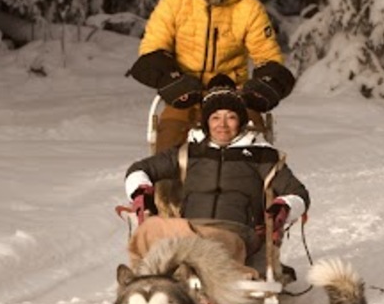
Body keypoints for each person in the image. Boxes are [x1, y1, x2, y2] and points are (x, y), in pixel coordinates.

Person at [124, 75, 309, 280]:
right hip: (188, 228)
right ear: (206, 122)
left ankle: (184, 276)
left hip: (234, 232)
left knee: (206, 244)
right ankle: (144, 284)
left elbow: (298, 193)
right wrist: (142, 193)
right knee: (149, 230)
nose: (222, 124)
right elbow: (139, 169)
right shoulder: (188, 152)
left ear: (240, 121)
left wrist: (283, 207)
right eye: (215, 117)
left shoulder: (262, 156)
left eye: (230, 117)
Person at [128, 0, 297, 154]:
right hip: (186, 94)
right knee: (166, 151)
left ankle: (266, 187)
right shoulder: (175, 2)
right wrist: (172, 81)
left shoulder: (249, 9)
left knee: (258, 152)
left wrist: (264, 84)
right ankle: (164, 188)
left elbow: (268, 57)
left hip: (234, 94)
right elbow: (152, 49)